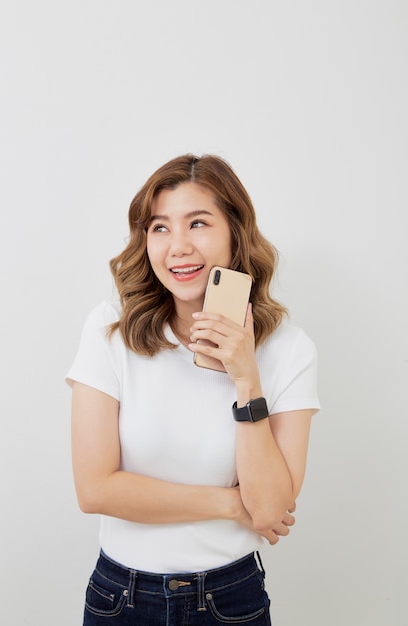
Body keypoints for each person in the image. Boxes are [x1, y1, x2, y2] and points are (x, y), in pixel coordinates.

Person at [66, 154, 320, 625]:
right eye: (159, 228)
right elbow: (95, 489)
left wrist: (246, 379)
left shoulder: (288, 350)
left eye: (198, 223)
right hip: (120, 599)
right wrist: (229, 503)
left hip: (231, 600)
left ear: (234, 233)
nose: (177, 246)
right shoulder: (110, 330)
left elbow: (269, 508)